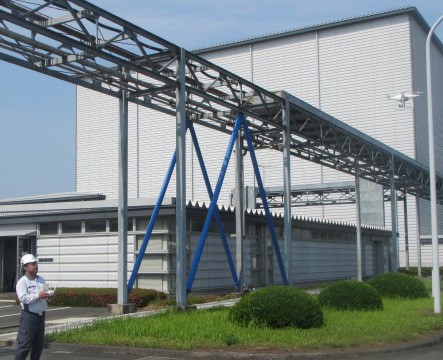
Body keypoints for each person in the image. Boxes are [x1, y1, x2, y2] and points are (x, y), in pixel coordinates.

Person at [15, 254, 53, 360]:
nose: (36, 266)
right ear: (25, 267)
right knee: (24, 346)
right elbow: (23, 298)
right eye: (32, 264)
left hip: (41, 317)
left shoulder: (41, 279)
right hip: (29, 317)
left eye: (36, 263)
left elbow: (44, 293)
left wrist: (48, 296)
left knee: (38, 346)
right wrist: (38, 296)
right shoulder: (22, 282)